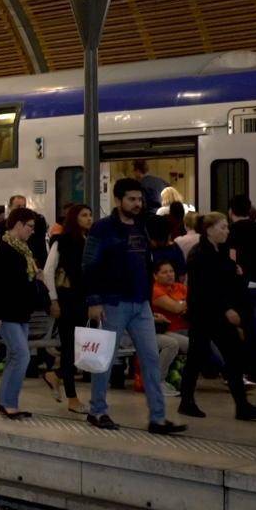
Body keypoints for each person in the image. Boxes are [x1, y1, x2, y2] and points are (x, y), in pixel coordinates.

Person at [82, 178, 185, 434]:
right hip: (113, 303)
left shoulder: (142, 227)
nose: (137, 204)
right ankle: (97, 411)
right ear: (118, 200)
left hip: (141, 304)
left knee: (151, 359)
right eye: (131, 199)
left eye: (139, 199)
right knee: (104, 359)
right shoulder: (102, 229)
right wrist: (94, 300)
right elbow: (88, 265)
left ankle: (158, 418)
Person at [179, 213, 256, 420]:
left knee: (230, 356)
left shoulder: (222, 252)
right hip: (204, 314)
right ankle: (188, 401)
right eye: (222, 227)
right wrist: (227, 309)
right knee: (197, 358)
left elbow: (226, 281)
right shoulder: (199, 254)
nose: (227, 231)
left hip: (216, 315)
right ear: (209, 230)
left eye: (227, 227)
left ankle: (241, 405)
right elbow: (207, 288)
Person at [0, 207, 49, 419]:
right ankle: (8, 403)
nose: (32, 231)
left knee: (16, 356)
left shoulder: (23, 249)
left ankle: (6, 402)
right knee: (21, 355)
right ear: (18, 225)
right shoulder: (5, 250)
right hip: (7, 312)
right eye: (30, 226)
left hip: (20, 310)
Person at [41, 204, 92, 413]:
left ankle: (57, 375)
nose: (89, 219)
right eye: (84, 215)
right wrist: (53, 300)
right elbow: (48, 271)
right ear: (74, 218)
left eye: (90, 215)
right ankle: (72, 398)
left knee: (78, 348)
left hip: (82, 301)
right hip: (66, 300)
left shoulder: (88, 241)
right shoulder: (61, 241)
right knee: (71, 347)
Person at [225, 195, 256, 380]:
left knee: (247, 326)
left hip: (242, 283)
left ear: (231, 211)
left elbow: (231, 257)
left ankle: (251, 367)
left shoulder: (232, 231)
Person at [149, 260, 188, 397]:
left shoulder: (180, 287)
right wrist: (182, 304)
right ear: (155, 275)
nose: (170, 275)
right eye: (164, 272)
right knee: (174, 343)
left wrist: (182, 305)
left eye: (171, 271)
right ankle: (156, 382)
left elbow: (194, 303)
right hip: (163, 329)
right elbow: (177, 308)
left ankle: (231, 373)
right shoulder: (154, 290)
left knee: (206, 336)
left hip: (184, 327)